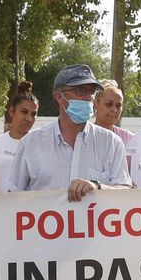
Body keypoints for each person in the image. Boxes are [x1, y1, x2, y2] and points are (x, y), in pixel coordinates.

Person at [8, 64, 131, 199]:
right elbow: (13, 197)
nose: (87, 97)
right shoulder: (30, 143)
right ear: (59, 96)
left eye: (92, 92)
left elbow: (124, 191)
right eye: (80, 91)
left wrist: (97, 186)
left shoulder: (111, 143)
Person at [0, 82, 39, 193]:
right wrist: (4, 203)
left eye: (33, 114)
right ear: (12, 112)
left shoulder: (41, 145)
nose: (29, 118)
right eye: (24, 112)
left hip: (30, 208)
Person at [94, 79, 135, 147]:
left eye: (118, 106)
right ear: (96, 103)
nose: (114, 110)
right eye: (109, 104)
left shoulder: (129, 139)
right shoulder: (82, 135)